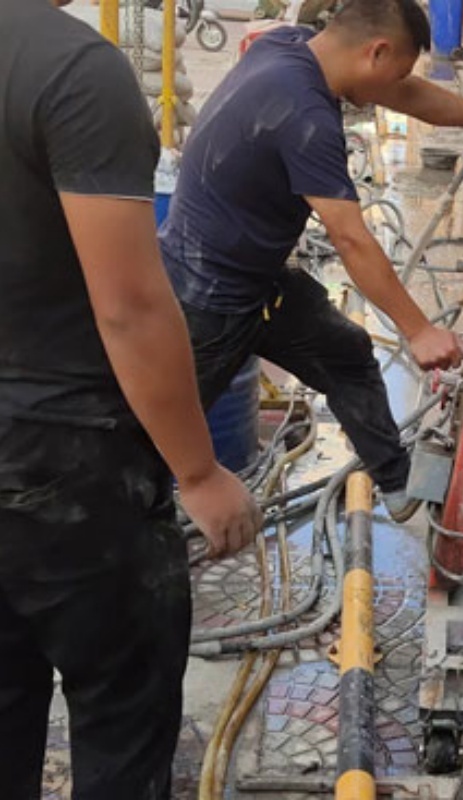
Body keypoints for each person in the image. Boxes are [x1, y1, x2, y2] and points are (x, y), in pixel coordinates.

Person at [0, 1, 263, 797]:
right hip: (70, 466)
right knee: (121, 713)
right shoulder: (71, 69)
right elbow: (131, 308)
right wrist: (200, 473)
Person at [159, 0, 463, 522]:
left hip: (258, 279)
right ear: (375, 52)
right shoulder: (306, 115)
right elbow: (351, 238)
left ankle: (397, 483)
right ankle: (121, 537)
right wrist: (418, 329)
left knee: (347, 353)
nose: (394, 87)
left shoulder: (290, 47)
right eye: (395, 70)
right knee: (157, 434)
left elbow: (405, 92)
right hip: (208, 298)